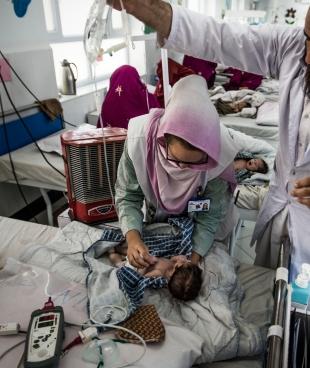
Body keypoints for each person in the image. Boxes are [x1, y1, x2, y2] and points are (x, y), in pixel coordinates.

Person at [107, 0, 310, 276]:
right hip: (280, 211)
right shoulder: (142, 142)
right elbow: (221, 37)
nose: (306, 58)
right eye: (308, 38)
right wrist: (157, 12)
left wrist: (195, 256)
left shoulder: (218, 153)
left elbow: (212, 212)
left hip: (293, 219)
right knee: (272, 287)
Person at [114, 74, 249, 270]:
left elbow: (209, 216)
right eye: (175, 160)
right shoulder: (139, 142)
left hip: (203, 229)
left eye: (196, 164)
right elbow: (127, 196)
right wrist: (133, 238)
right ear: (162, 140)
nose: (183, 169)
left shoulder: (220, 155)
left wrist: (192, 262)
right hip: (159, 221)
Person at [109, 250, 203, 301]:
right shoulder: (173, 264)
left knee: (116, 258)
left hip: (136, 267)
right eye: (187, 261)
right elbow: (172, 258)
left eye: (185, 262)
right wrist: (177, 258)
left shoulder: (159, 273)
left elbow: (143, 276)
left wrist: (148, 263)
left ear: (177, 267)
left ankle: (116, 259)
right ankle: (121, 253)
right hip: (145, 255)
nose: (186, 260)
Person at [97, 65, 160, 129]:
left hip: (112, 138)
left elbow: (101, 129)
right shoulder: (147, 100)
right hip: (139, 138)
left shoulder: (107, 103)